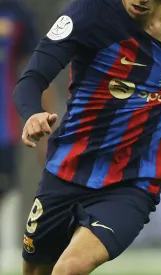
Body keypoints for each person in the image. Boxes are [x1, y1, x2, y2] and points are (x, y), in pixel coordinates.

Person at [13, 0, 161, 274]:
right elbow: (32, 77)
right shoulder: (87, 14)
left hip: (134, 180)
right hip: (67, 171)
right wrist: (32, 113)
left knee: (69, 268)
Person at [0, 0, 57, 269]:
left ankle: (7, 252)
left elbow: (36, 71)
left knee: (6, 188)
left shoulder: (17, 14)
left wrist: (45, 126)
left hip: (3, 124)